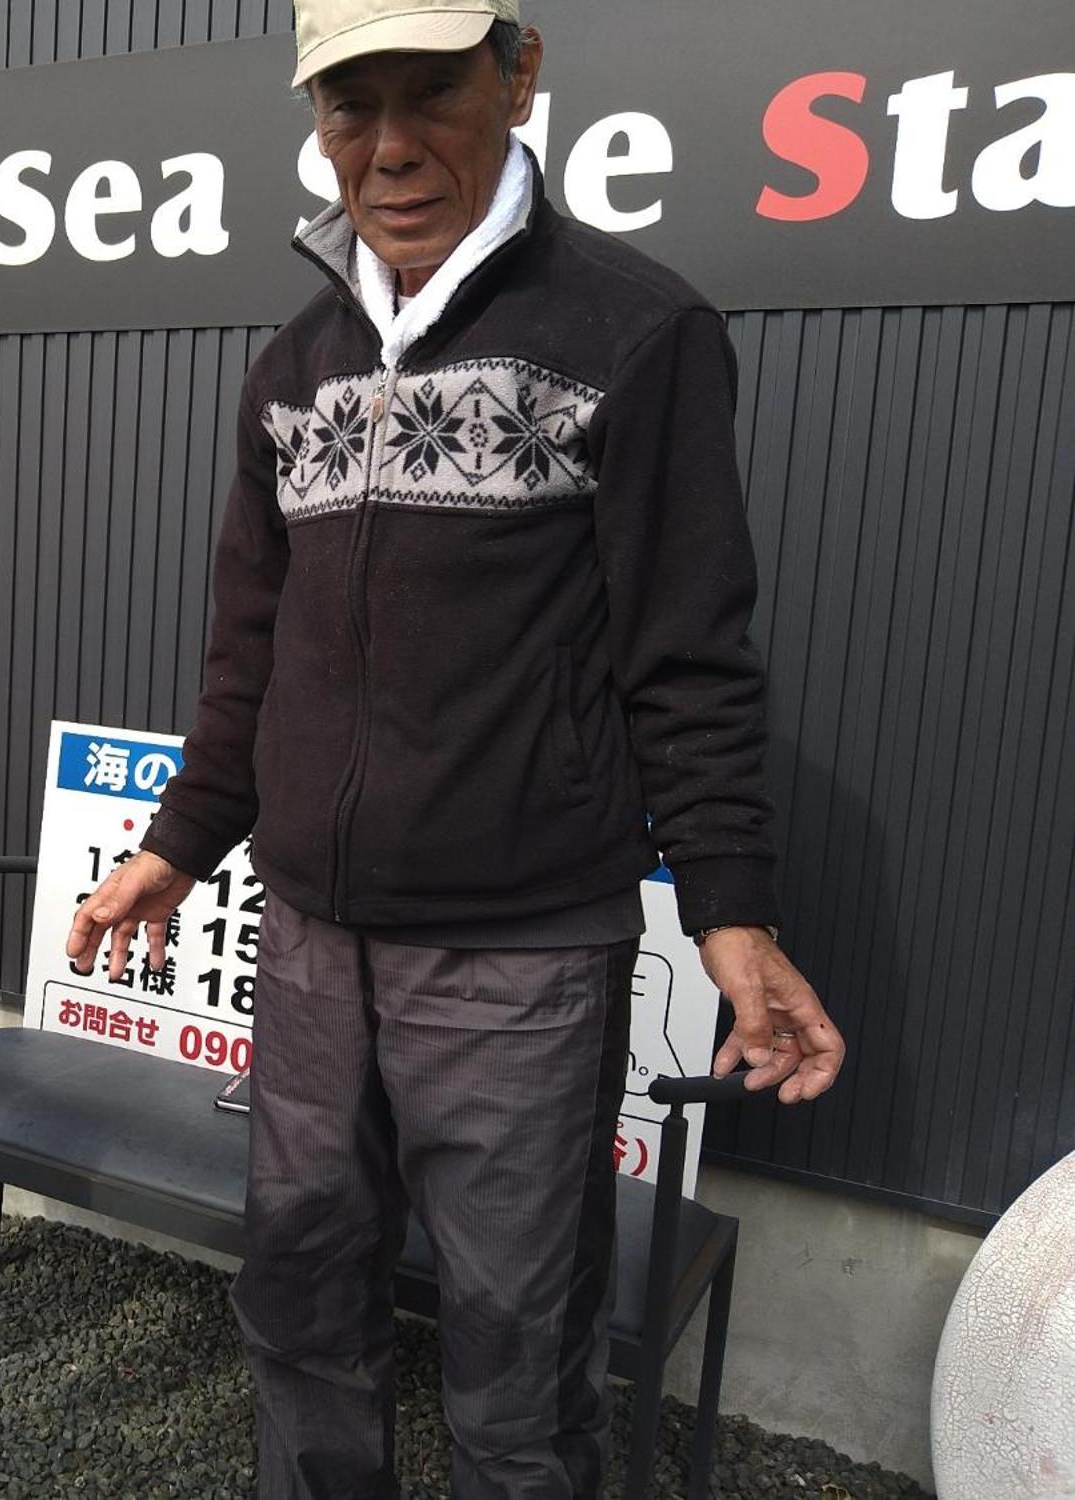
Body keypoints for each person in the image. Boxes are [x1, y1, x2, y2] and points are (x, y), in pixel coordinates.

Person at [66, 2, 847, 1496]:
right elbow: (252, 652)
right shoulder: (293, 366)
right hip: (306, 946)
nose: (392, 146)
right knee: (296, 1302)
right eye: (350, 108)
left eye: (431, 93)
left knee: (516, 1354)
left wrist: (732, 912)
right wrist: (177, 845)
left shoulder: (635, 330)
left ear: (519, 73)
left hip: (517, 959)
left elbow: (686, 655)